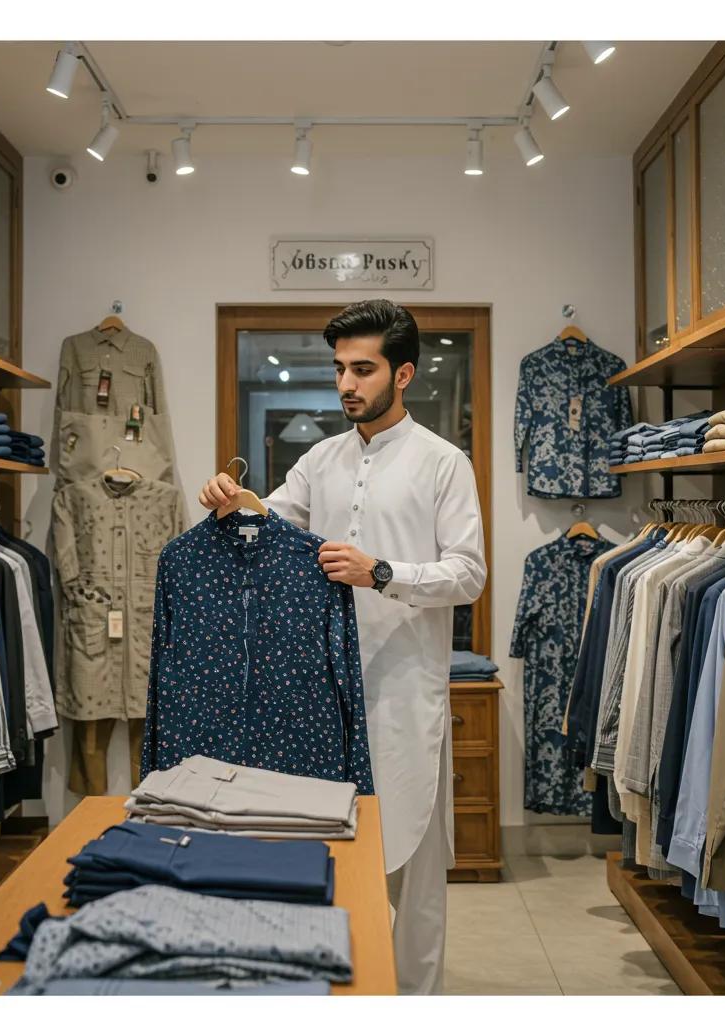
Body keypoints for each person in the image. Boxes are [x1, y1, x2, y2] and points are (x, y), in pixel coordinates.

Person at [200, 298, 486, 994]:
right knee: (327, 860)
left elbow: (469, 574)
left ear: (405, 373)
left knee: (414, 878)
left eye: (363, 368)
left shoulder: (444, 464)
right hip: (319, 698)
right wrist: (226, 497)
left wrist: (381, 573)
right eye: (339, 369)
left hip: (403, 695)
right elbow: (265, 526)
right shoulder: (319, 462)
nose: (347, 384)